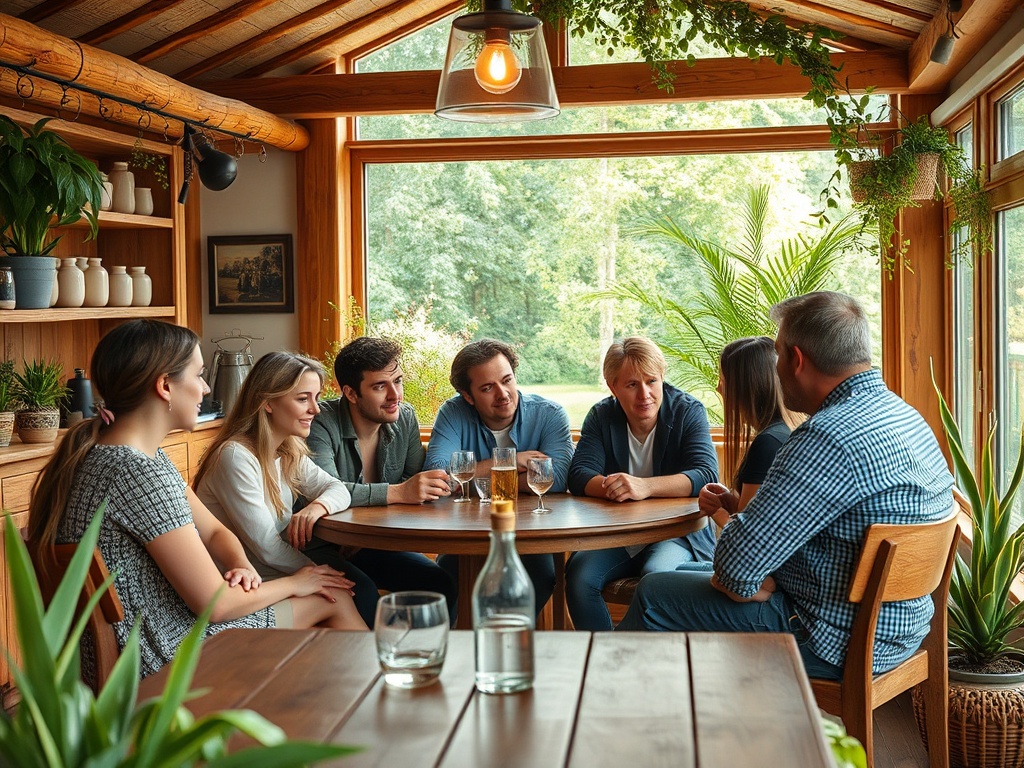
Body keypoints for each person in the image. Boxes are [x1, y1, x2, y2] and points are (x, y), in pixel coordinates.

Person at [618, 292, 954, 681]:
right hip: (903, 630)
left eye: (777, 354)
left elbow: (736, 571)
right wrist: (753, 575)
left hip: (832, 639)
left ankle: (620, 718)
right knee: (689, 569)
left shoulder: (825, 438)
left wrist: (752, 576)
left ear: (796, 360)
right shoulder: (905, 415)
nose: (774, 369)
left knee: (655, 594)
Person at [27, 321, 363, 686]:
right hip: (164, 656)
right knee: (333, 598)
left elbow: (216, 531)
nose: (205, 388)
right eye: (199, 375)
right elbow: (216, 605)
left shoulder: (132, 456)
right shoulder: (135, 471)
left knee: (325, 594)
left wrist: (240, 564)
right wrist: (298, 582)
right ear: (164, 386)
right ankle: (360, 710)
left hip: (152, 642)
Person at [564, 337, 719, 631]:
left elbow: (706, 474)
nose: (645, 394)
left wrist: (644, 487)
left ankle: (640, 664)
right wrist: (615, 486)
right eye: (632, 384)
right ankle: (602, 662)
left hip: (675, 533)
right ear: (613, 387)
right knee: (580, 577)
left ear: (662, 378)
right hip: (621, 533)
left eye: (652, 381)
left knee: (655, 577)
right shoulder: (602, 415)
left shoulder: (688, 411)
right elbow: (580, 473)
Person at [305, 337, 458, 623]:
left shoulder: (405, 418)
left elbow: (415, 484)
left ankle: (428, 663)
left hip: (371, 545)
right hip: (321, 546)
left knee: (439, 583)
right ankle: (379, 665)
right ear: (351, 393)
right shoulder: (321, 423)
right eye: (379, 387)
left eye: (397, 381)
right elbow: (326, 492)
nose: (395, 395)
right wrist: (399, 492)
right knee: (360, 591)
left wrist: (408, 491)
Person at [424, 338, 575, 613]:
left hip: (531, 533)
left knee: (539, 578)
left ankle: (507, 646)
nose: (503, 393)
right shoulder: (453, 412)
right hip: (466, 534)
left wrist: (473, 482)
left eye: (507, 380)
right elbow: (440, 476)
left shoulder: (549, 414)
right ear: (467, 396)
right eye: (487, 388)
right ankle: (460, 651)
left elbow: (559, 477)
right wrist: (512, 461)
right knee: (443, 582)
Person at [697, 336, 795, 532]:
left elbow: (745, 539)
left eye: (723, 380)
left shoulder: (767, 444)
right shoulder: (783, 433)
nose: (718, 388)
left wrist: (716, 511)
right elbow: (761, 517)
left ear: (744, 387)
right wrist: (729, 501)